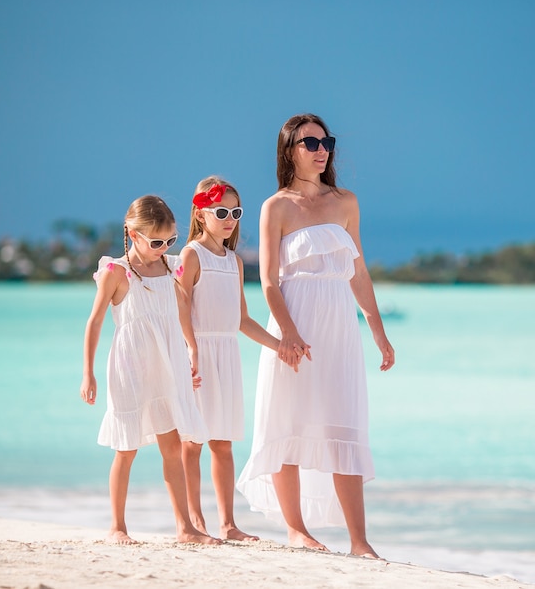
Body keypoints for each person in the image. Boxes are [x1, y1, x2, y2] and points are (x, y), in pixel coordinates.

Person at [236, 114, 395, 558]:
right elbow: (268, 280)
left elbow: (358, 272)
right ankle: (296, 529)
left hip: (341, 326)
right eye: (310, 143)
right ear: (289, 150)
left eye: (326, 141)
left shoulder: (346, 202)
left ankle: (360, 542)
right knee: (286, 419)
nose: (321, 149)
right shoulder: (276, 207)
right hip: (293, 320)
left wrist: (379, 333)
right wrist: (288, 333)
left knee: (344, 423)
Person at [80, 194, 221, 546]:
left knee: (172, 445)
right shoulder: (116, 271)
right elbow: (95, 323)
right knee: (126, 448)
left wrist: (190, 351)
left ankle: (185, 528)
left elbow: (178, 316)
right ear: (131, 232)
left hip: (167, 365)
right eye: (156, 241)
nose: (163, 247)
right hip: (130, 367)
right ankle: (117, 526)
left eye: (170, 240)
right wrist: (88, 372)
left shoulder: (172, 267)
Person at [177, 176, 302, 542]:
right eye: (221, 211)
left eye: (235, 211)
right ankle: (195, 521)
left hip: (227, 355)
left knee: (223, 443)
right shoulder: (191, 255)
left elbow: (242, 319)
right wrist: (190, 348)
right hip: (198, 352)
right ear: (201, 214)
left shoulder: (233, 261)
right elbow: (180, 304)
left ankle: (228, 524)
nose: (230, 218)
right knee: (193, 441)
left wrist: (278, 345)